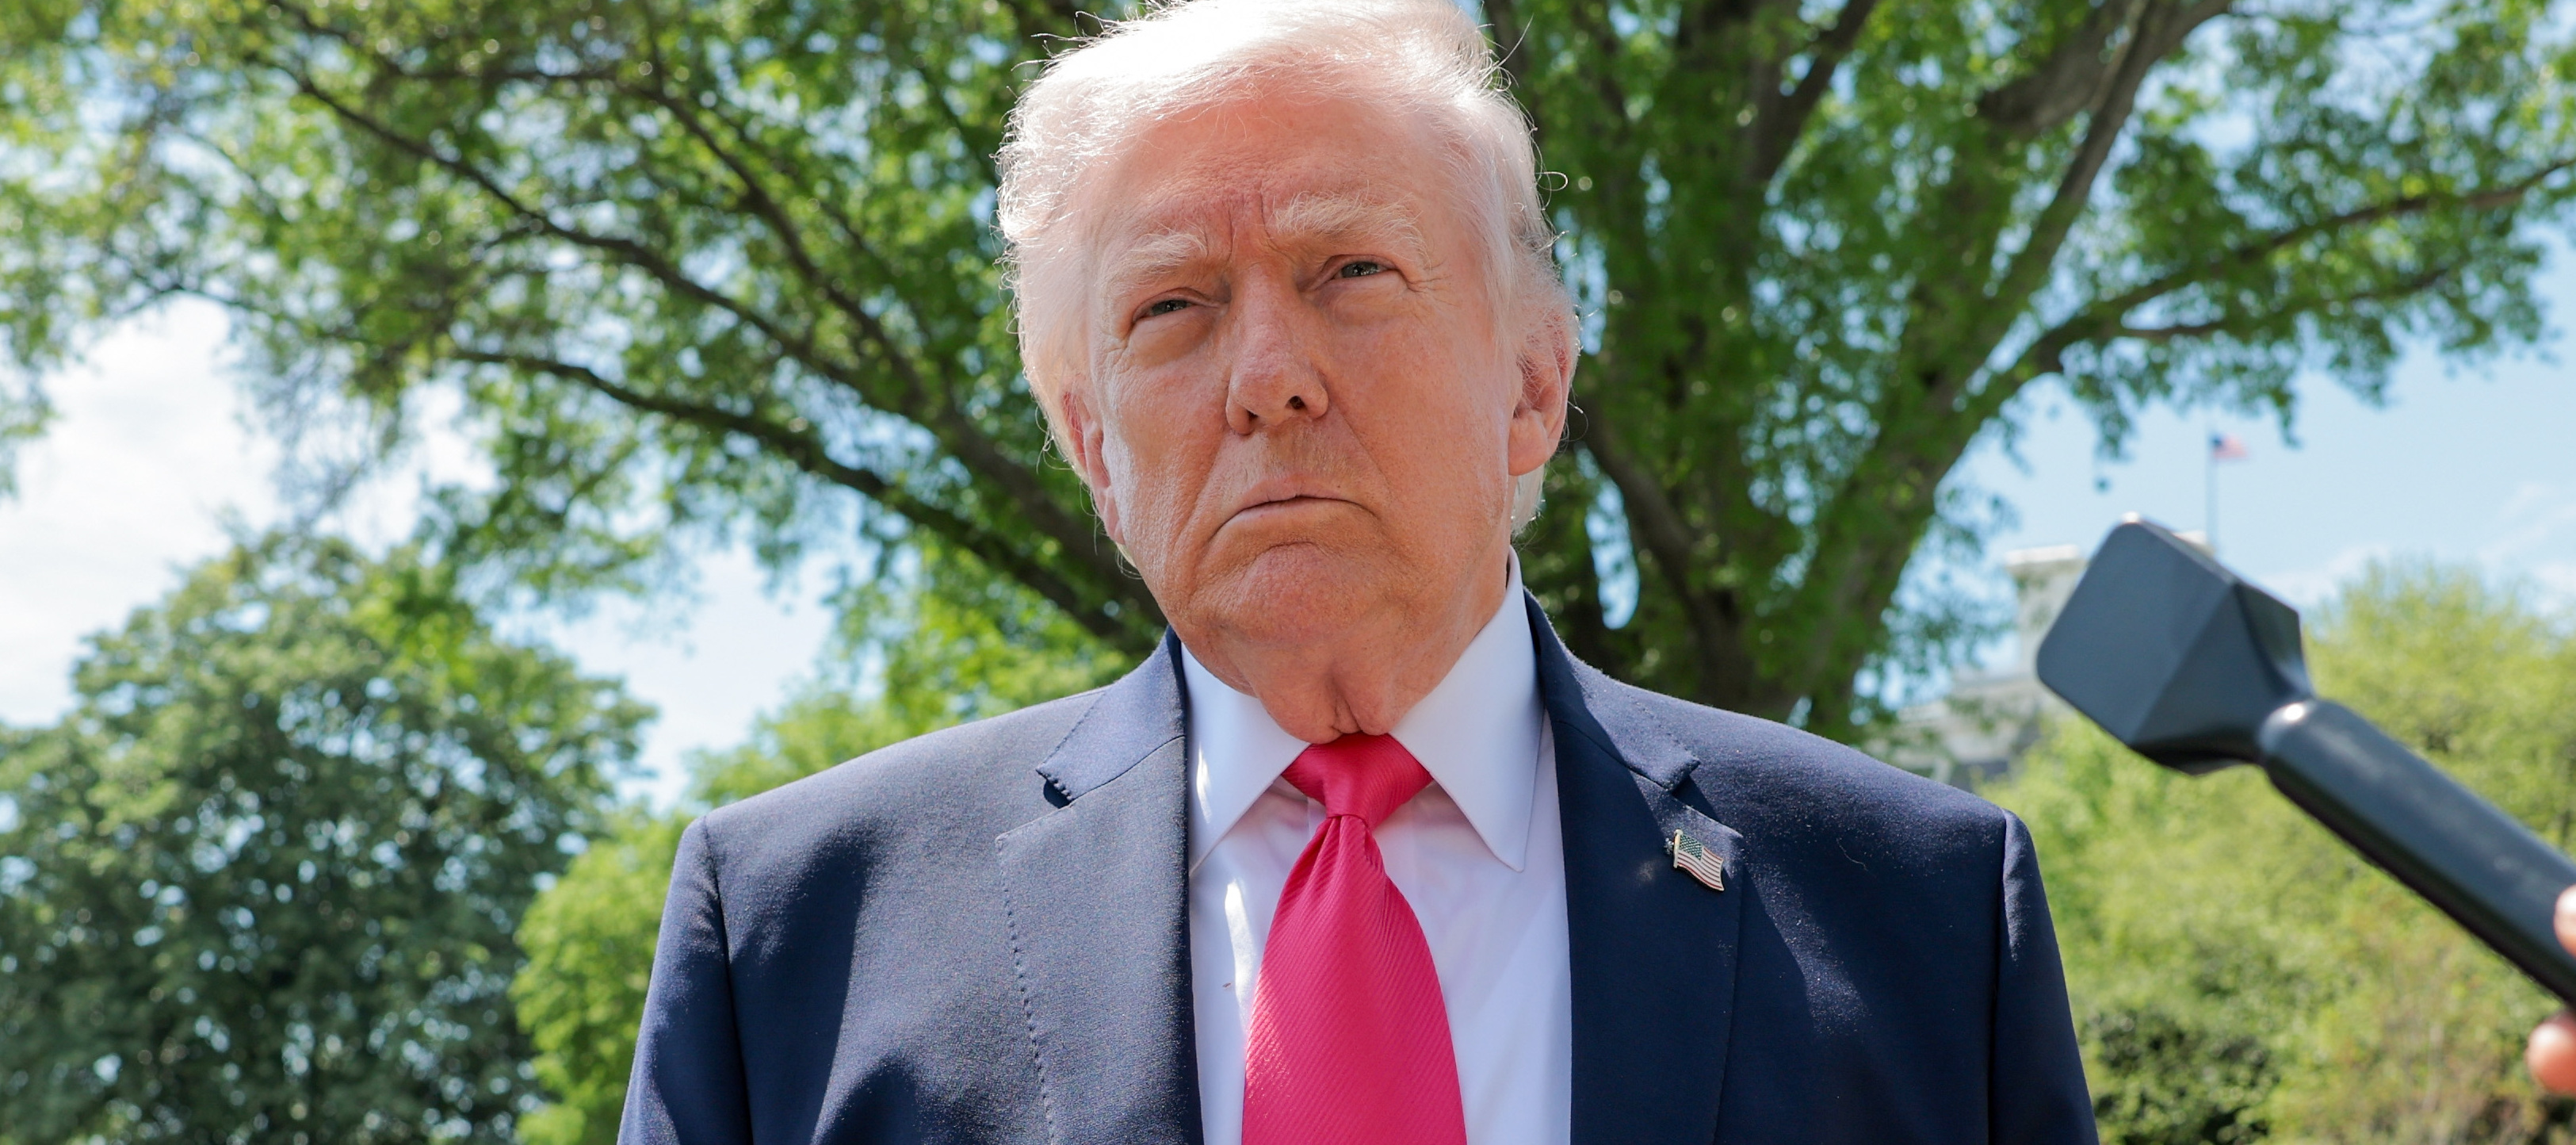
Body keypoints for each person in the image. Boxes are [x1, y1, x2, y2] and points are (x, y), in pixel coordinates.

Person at [618, 1, 2096, 1142]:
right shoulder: (791, 933)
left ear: (1532, 386)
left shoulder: (1921, 914)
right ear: (1093, 452)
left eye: (1351, 273)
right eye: (1174, 307)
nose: (1267, 377)